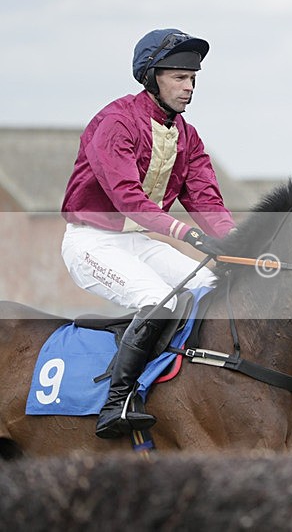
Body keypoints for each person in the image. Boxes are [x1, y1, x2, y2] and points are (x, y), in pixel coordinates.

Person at [60, 28, 236, 439]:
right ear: (152, 76)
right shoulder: (115, 123)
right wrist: (185, 235)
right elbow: (126, 196)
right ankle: (117, 401)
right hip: (90, 241)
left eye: (193, 79)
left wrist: (238, 244)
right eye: (179, 77)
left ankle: (189, 386)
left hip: (138, 242)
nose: (189, 87)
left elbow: (207, 200)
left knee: (210, 287)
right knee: (156, 300)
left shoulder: (187, 137)